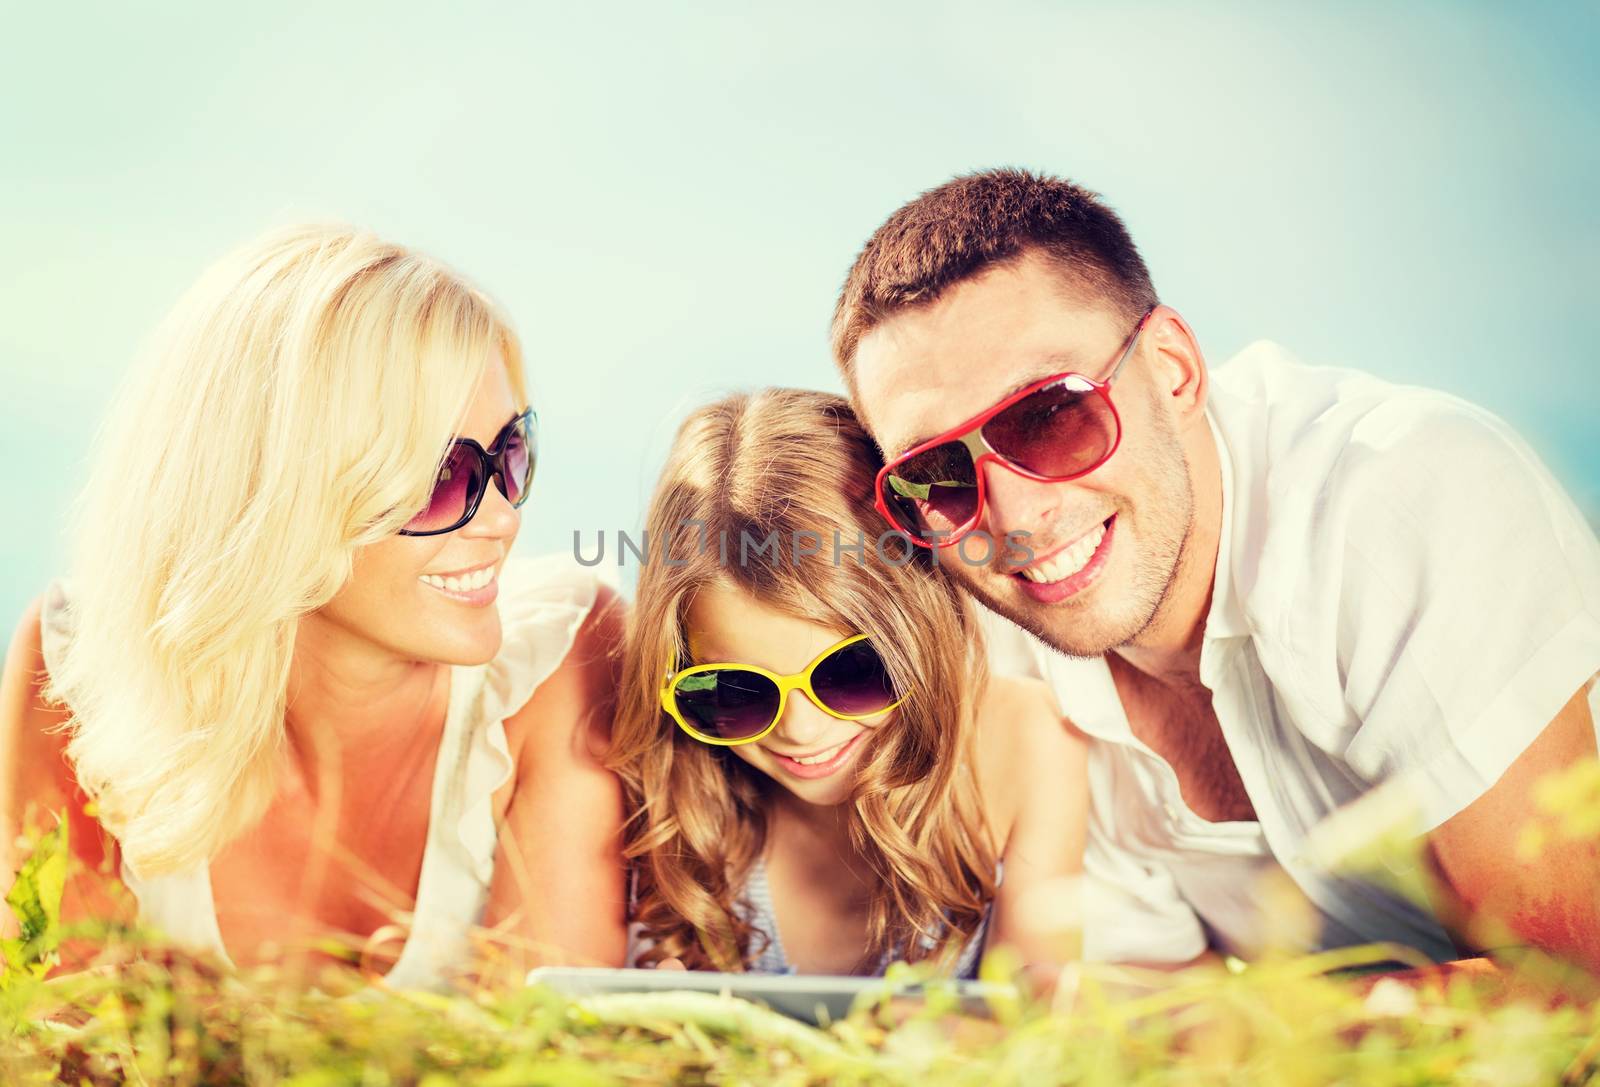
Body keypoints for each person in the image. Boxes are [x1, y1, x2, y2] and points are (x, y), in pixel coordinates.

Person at [828, 168, 1600, 971]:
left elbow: (1574, 987)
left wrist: (1226, 1028)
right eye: (935, 473)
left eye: (1050, 414)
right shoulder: (994, 651)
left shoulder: (1404, 500)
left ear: (1173, 369)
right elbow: (1138, 1004)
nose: (1014, 518)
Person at [0, 225, 628, 988]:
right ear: (275, 495)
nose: (501, 517)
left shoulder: (559, 655)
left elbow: (551, 1057)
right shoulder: (77, 668)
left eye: (510, 453)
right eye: (440, 476)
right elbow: (68, 1036)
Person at [607, 389, 1087, 985]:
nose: (800, 731)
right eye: (735, 692)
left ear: (921, 627)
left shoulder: (1030, 741)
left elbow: (1034, 1030)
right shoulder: (683, 796)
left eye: (852, 673)